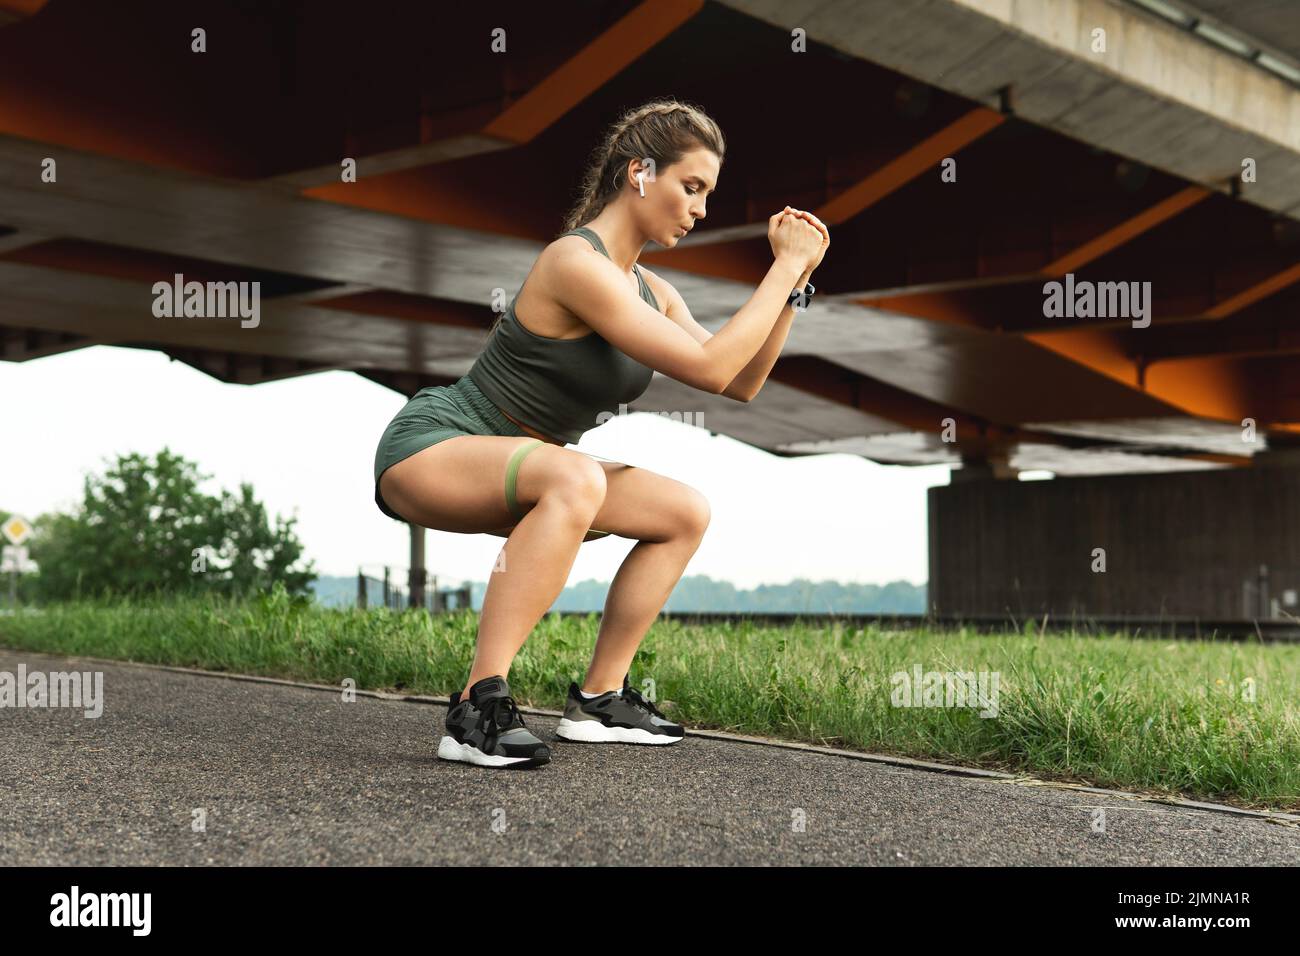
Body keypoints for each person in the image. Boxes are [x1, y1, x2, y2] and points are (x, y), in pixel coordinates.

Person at [372, 98, 829, 768]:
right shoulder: (574, 263)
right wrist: (783, 266)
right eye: (692, 187)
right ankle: (476, 705)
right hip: (434, 447)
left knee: (682, 511)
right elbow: (710, 364)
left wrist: (796, 286)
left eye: (707, 194)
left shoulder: (654, 292)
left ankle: (599, 698)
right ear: (641, 174)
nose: (700, 209)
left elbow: (740, 380)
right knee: (575, 473)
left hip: (537, 465)